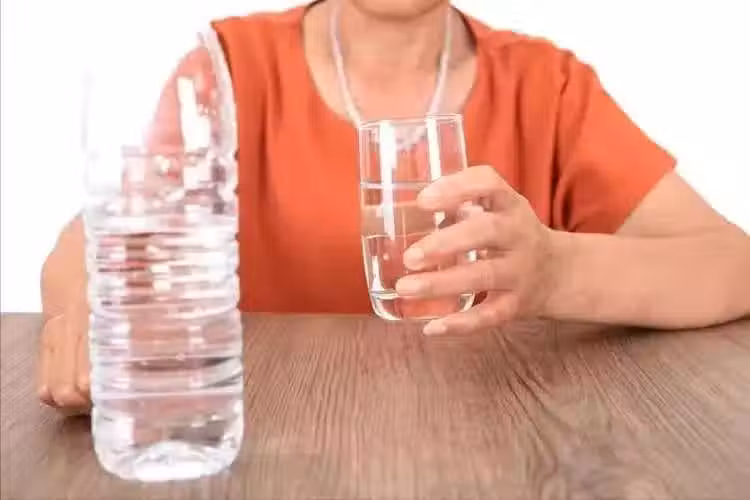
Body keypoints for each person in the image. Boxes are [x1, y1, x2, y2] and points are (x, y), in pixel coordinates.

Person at [38, 0, 750, 414]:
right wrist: (83, 319)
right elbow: (98, 237)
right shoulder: (228, 64)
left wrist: (557, 270)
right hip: (267, 448)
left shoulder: (548, 87)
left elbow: (731, 263)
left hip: (506, 446)